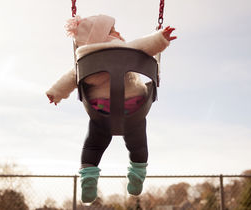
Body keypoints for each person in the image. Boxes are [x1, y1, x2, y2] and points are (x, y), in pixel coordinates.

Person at [46, 14, 176, 202]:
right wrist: (161, 37)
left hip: (101, 110)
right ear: (102, 36)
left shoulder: (83, 61)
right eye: (113, 30)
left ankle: (89, 175)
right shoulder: (125, 49)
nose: (119, 32)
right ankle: (137, 174)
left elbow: (70, 78)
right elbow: (145, 46)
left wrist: (55, 93)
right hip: (133, 107)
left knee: (93, 145)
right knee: (138, 144)